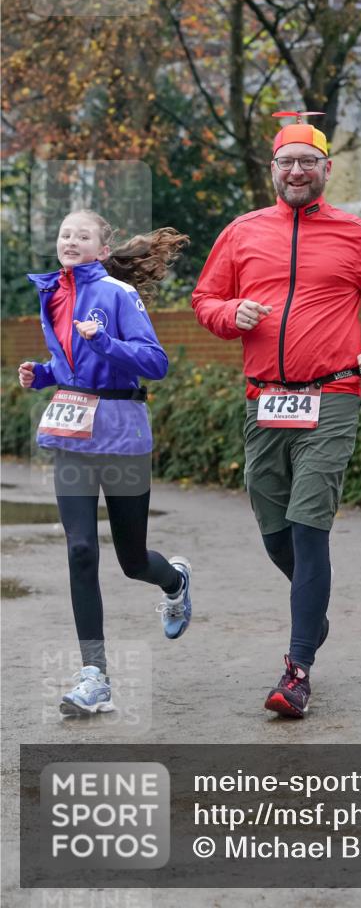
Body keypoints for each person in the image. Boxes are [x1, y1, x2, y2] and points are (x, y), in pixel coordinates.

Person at [192, 114, 361, 718]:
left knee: (310, 521)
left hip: (333, 394)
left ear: (325, 170)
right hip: (264, 399)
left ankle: (297, 672)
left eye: (308, 163)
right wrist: (229, 312)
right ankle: (312, 603)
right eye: (287, 163)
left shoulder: (354, 233)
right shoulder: (241, 233)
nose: (297, 172)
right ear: (273, 171)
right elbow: (204, 298)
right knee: (275, 531)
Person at [18, 209, 193, 717]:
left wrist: (105, 342)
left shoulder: (119, 295)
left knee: (132, 559)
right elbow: (74, 365)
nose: (71, 240)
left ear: (101, 248)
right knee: (79, 550)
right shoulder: (51, 292)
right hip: (73, 435)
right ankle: (95, 676)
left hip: (121, 433)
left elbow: (155, 362)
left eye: (82, 235)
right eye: (64, 233)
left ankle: (174, 581)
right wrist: (46, 373)